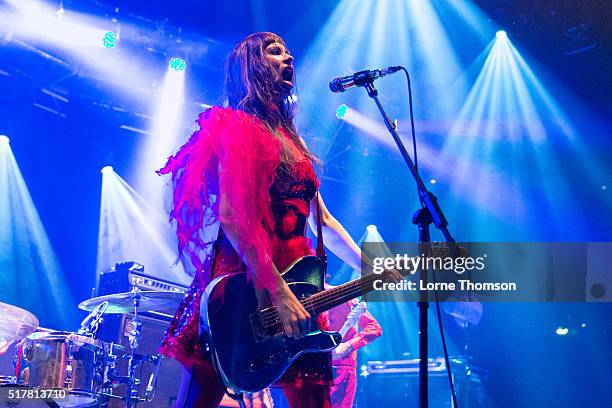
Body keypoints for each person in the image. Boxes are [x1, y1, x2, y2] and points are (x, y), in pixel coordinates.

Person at [157, 32, 363, 408]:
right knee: (202, 396)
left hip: (302, 285)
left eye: (288, 51)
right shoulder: (236, 125)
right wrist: (277, 293)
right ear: (251, 66)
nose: (288, 58)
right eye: (274, 52)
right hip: (244, 286)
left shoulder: (292, 141)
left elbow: (325, 222)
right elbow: (232, 217)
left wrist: (372, 266)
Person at [327, 298, 382, 408]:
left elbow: (374, 328)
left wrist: (348, 346)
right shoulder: (300, 295)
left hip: (340, 367)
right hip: (308, 367)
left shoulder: (341, 296)